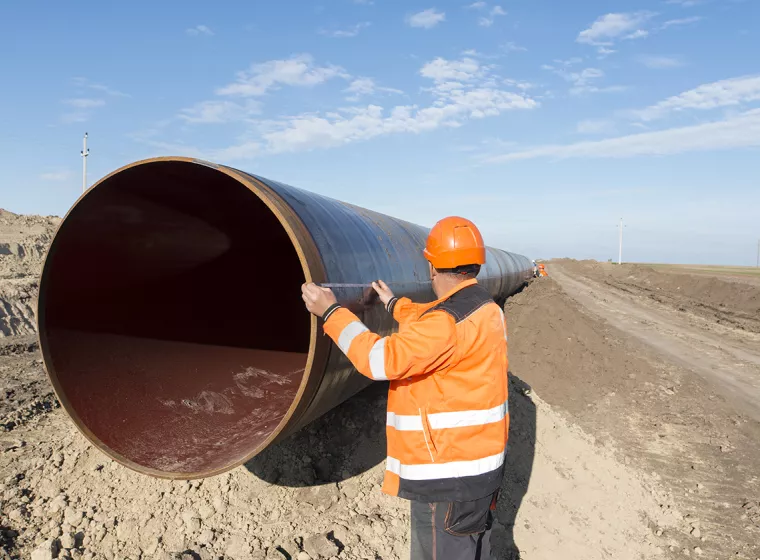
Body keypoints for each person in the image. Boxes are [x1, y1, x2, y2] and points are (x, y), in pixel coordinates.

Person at [301, 216, 508, 560]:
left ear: (431, 266)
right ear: (476, 263)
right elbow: (437, 324)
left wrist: (331, 312)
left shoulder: (444, 325)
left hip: (448, 476)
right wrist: (395, 304)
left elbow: (378, 360)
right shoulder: (484, 309)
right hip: (479, 470)